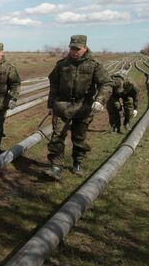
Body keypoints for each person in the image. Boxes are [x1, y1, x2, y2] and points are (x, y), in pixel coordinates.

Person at [45, 35, 111, 180]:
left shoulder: (94, 65)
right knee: (57, 136)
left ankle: (78, 162)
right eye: (72, 48)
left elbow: (106, 83)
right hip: (62, 105)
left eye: (77, 49)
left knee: (79, 138)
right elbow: (54, 85)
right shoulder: (62, 64)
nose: (74, 51)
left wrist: (100, 100)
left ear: (85, 48)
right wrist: (50, 105)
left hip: (83, 106)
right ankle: (56, 166)